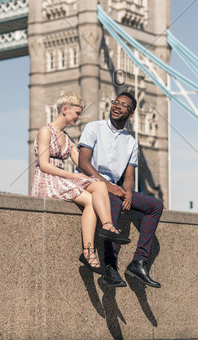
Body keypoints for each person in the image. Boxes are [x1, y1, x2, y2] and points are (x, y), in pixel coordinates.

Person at [32, 92, 130, 276]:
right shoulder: (45, 131)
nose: (79, 117)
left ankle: (98, 239)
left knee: (97, 187)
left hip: (62, 179)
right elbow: (44, 165)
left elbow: (83, 165)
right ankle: (93, 246)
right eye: (77, 113)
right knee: (90, 196)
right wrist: (71, 176)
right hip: (47, 180)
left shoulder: (68, 139)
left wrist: (104, 178)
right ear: (65, 110)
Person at [78, 92, 164, 288]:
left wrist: (129, 193)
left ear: (131, 113)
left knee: (155, 205)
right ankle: (110, 268)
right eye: (115, 102)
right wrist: (107, 185)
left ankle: (139, 262)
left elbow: (129, 177)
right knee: (114, 202)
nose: (117, 106)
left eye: (123, 105)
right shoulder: (94, 128)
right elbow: (83, 162)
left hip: (114, 188)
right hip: (91, 182)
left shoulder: (131, 142)